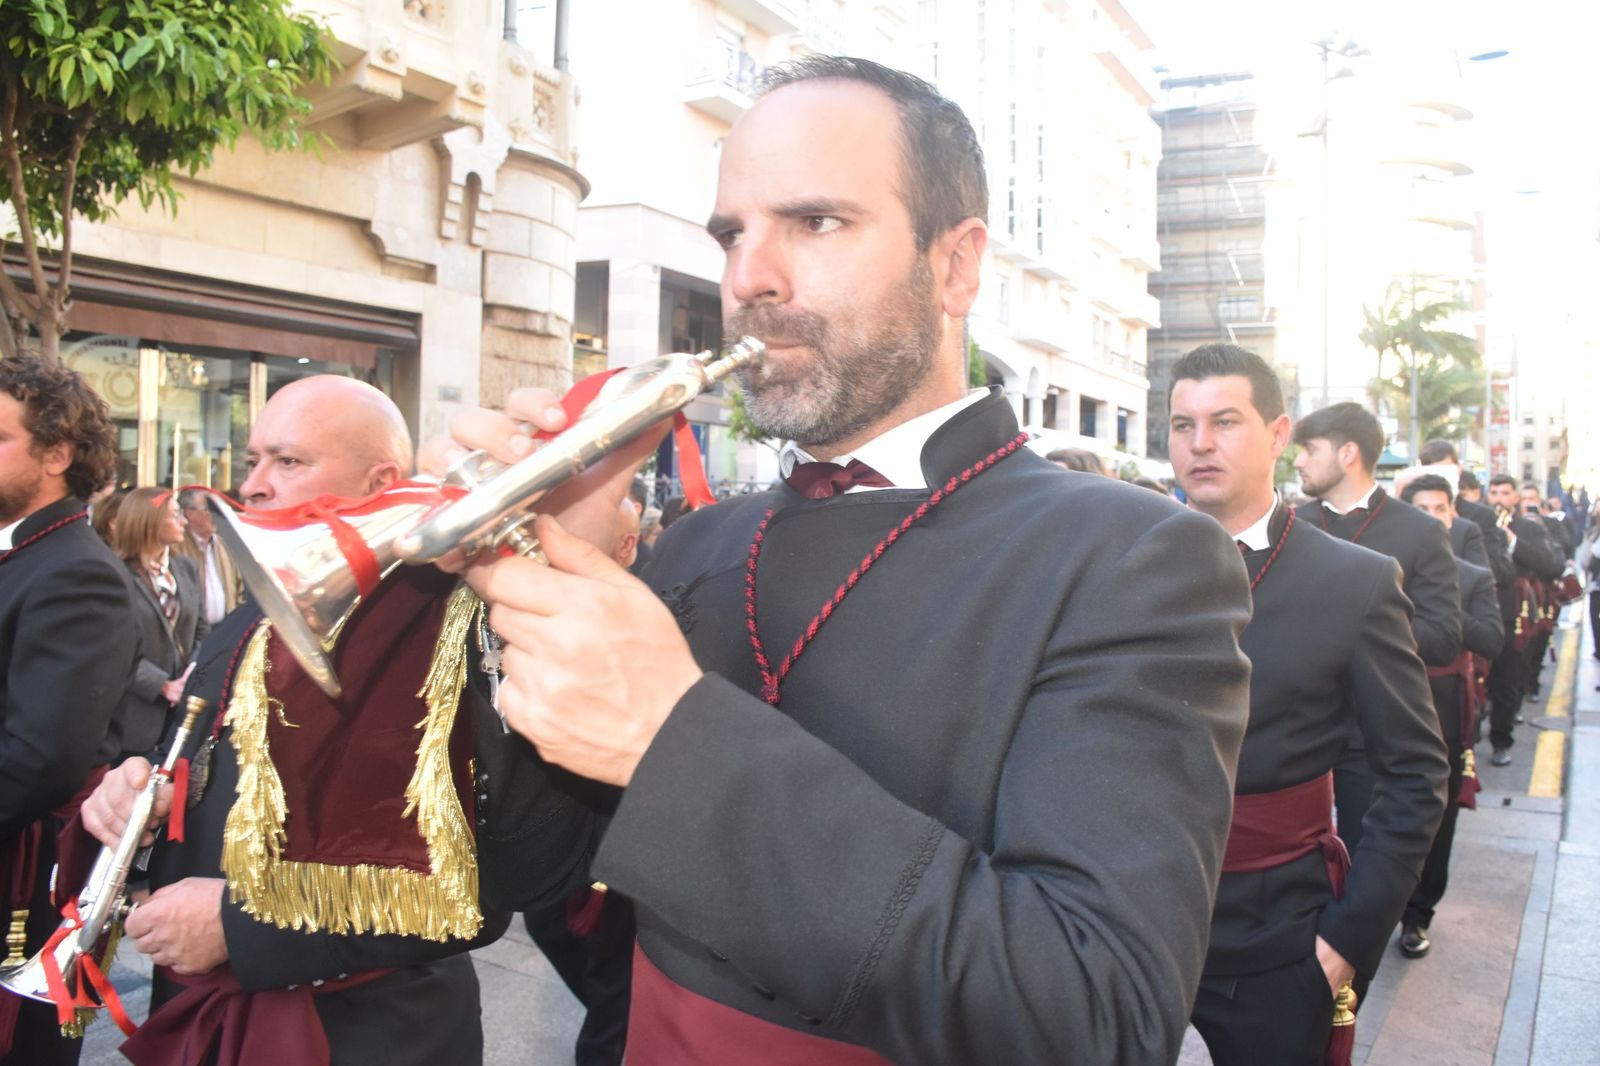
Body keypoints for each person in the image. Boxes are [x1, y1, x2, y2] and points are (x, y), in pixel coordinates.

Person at [445, 55, 1253, 1064]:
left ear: (955, 266)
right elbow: (526, 874)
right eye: (732, 233)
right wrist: (525, 569)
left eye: (815, 222)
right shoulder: (696, 544)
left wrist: (672, 738)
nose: (747, 277)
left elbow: (1095, 1012)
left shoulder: (1136, 555)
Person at [75, 375, 600, 1066]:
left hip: (365, 1033)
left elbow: (495, 880)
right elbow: (203, 762)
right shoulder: (247, 616)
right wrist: (141, 789)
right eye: (254, 459)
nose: (255, 483)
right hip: (205, 1012)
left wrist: (243, 927)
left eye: (288, 461)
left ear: (379, 480)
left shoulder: (455, 631)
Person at [1167, 344, 1446, 1066]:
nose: (1199, 443)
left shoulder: (1353, 581)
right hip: (1128, 924)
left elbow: (1415, 772)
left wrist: (1347, 940)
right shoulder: (1117, 561)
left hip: (1279, 937)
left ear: (1279, 433)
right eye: (1181, 424)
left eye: (1224, 421)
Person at [0, 353, 139, 1066]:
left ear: (56, 454)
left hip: (25, 876)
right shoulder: (24, 554)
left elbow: (40, 759)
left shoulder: (76, 569)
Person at [1292, 403, 1460, 860]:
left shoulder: (1420, 531)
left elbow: (1444, 634)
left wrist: (1360, 635)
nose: (1298, 460)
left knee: (1369, 859)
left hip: (1375, 734)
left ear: (1348, 453)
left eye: (1309, 449)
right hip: (1297, 730)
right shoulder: (1289, 526)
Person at [1395, 474, 1503, 960]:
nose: (1432, 517)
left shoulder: (1472, 576)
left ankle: (1418, 916)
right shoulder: (1380, 571)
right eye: (1421, 508)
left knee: (1437, 822)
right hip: (1385, 705)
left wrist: (1443, 601)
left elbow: (1491, 640)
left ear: (1452, 515)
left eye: (1440, 508)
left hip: (1446, 712)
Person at [112, 486, 209, 758]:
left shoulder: (186, 568)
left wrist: (192, 671)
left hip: (183, 716)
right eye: (175, 515)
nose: (184, 521)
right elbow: (113, 648)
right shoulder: (116, 574)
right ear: (148, 521)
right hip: (133, 717)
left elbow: (201, 628)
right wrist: (163, 685)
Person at [1482, 474, 1565, 765]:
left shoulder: (1529, 528)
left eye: (1505, 493)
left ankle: (1501, 742)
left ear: (1515, 497)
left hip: (1515, 613)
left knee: (1509, 679)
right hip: (1481, 609)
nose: (1499, 499)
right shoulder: (1479, 524)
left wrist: (1513, 542)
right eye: (1494, 492)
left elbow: (1550, 565)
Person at [172, 487, 242, 626]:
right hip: (191, 634)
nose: (215, 515)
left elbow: (238, 589)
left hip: (224, 631)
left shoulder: (224, 545)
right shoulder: (176, 548)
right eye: (208, 509)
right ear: (189, 513)